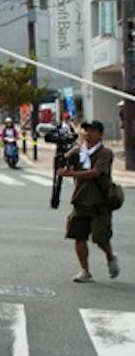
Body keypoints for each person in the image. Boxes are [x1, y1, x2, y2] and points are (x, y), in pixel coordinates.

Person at [59, 120, 119, 282]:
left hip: (100, 202)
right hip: (80, 200)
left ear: (100, 134)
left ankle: (110, 257)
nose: (87, 134)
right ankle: (85, 271)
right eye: (85, 130)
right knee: (78, 236)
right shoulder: (78, 151)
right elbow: (63, 162)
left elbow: (96, 172)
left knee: (100, 238)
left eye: (92, 131)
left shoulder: (105, 153)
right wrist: (61, 158)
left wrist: (71, 175)